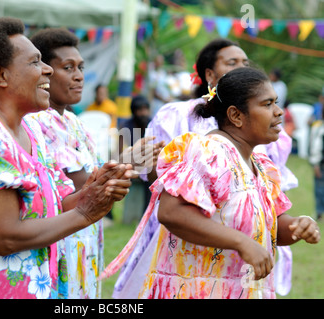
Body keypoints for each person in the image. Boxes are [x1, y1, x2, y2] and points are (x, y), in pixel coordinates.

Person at [0, 17, 134, 299]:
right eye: (35, 62)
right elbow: (5, 237)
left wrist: (98, 189)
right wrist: (86, 212)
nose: (46, 71)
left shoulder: (30, 129)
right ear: (1, 76)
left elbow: (57, 205)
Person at [103, 67, 321, 299]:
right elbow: (170, 213)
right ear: (236, 115)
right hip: (196, 290)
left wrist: (298, 226)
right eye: (267, 104)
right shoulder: (207, 152)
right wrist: (241, 242)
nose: (278, 112)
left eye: (276, 103)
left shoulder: (261, 165)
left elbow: (272, 227)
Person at [28, 28, 162, 299]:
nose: (79, 76)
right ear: (43, 72)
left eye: (81, 67)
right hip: (61, 240)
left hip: (83, 239)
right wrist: (126, 163)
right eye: (68, 67)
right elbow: (83, 187)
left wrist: (129, 163)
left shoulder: (75, 122)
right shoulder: (38, 120)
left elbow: (94, 174)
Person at [119, 95, 152, 224]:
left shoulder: (151, 123)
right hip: (130, 164)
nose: (143, 113)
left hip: (147, 164)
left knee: (150, 176)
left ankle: (146, 216)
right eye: (140, 110)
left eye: (145, 109)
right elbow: (120, 151)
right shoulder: (125, 126)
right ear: (134, 111)